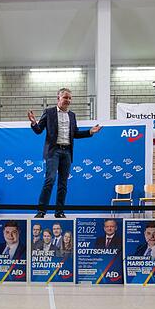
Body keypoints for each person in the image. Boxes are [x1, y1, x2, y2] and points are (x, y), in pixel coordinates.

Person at [27, 88, 102, 218]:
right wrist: (34, 123)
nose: (68, 100)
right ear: (58, 98)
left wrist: (90, 132)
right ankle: (41, 211)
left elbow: (75, 133)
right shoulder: (49, 112)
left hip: (67, 152)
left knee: (63, 183)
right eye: (65, 97)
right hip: (53, 151)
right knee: (50, 179)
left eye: (69, 98)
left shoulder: (72, 115)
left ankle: (59, 211)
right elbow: (39, 130)